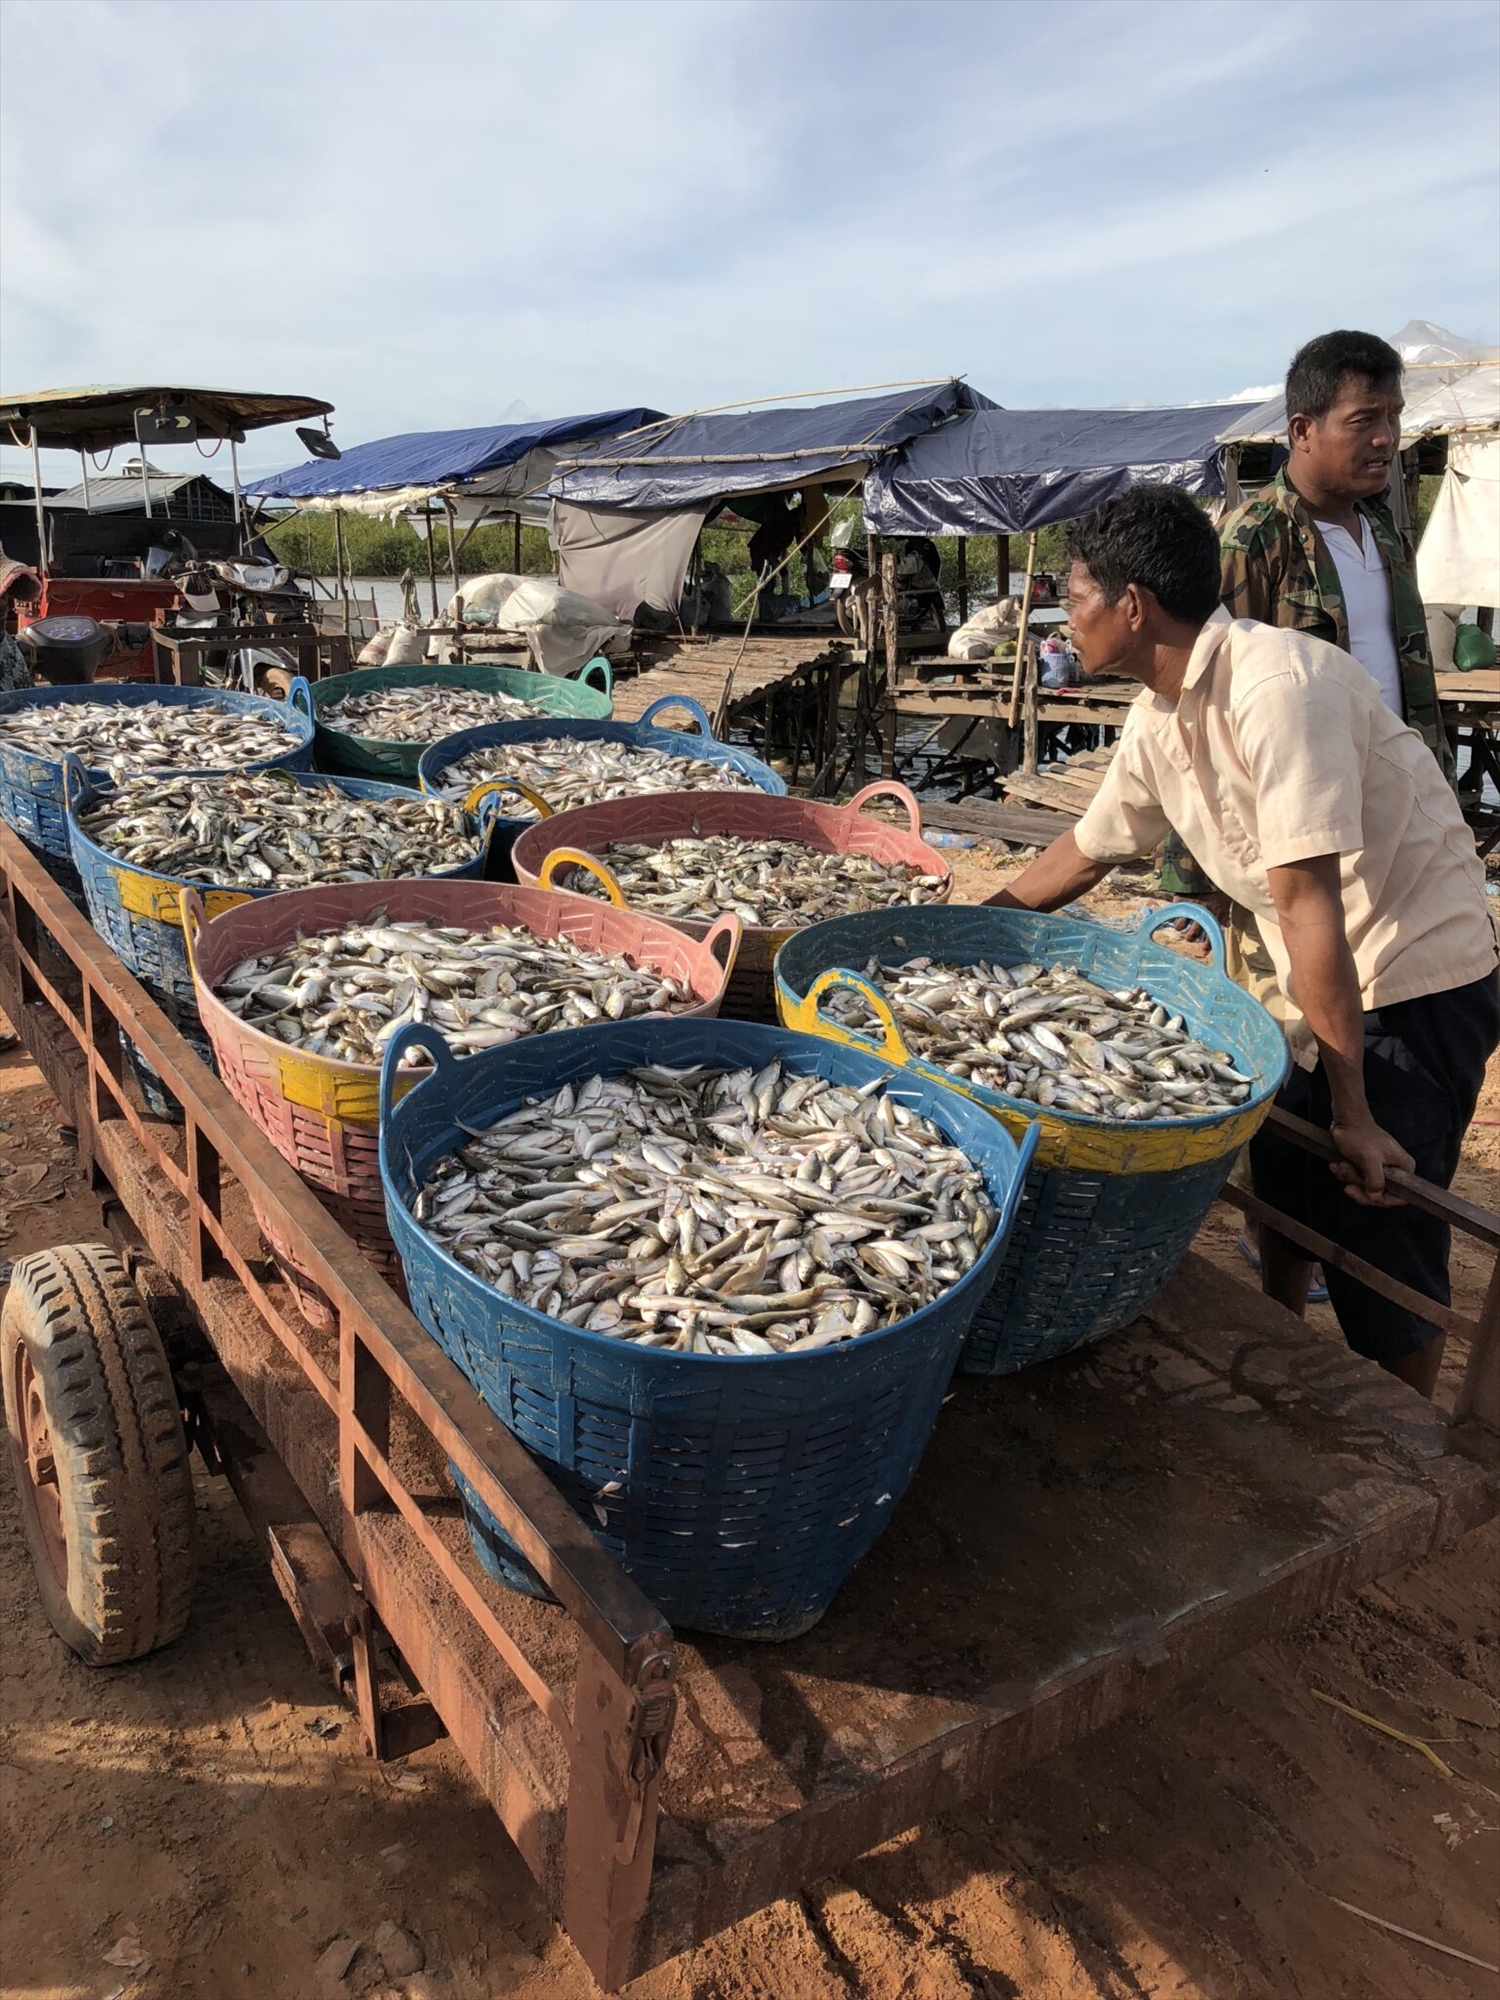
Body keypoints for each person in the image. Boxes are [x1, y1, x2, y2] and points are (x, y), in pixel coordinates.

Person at [984, 484, 1499, 1398]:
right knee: (1288, 1185)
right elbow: (1083, 851)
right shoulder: (1160, 712)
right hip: (1318, 973)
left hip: (1410, 967)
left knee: (1376, 1211)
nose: (1065, 619)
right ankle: (1281, 1358)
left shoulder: (1278, 687)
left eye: (1075, 594)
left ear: (1131, 605)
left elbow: (1311, 908)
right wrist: (966, 925)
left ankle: (1419, 1450)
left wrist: (1354, 1109)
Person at [1221, 328, 1450, 775]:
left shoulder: (1385, 531)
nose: (1386, 437)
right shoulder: (1254, 539)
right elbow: (1219, 700)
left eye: (1393, 416)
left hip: (1406, 790)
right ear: (1303, 430)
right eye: (1364, 420)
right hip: (1314, 802)